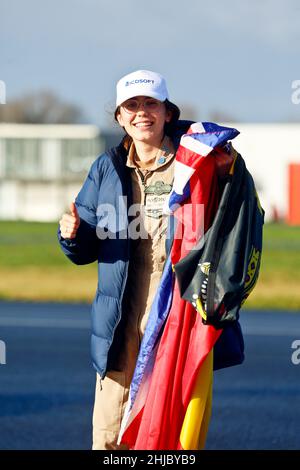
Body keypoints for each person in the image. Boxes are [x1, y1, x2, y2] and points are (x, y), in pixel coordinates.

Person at [58, 70, 245, 450]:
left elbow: (233, 223)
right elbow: (84, 250)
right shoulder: (105, 169)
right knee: (109, 437)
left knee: (165, 435)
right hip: (119, 323)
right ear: (119, 117)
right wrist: (71, 235)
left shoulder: (198, 165)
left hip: (176, 318)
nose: (141, 113)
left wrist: (228, 173)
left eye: (150, 104)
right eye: (132, 106)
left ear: (167, 113)